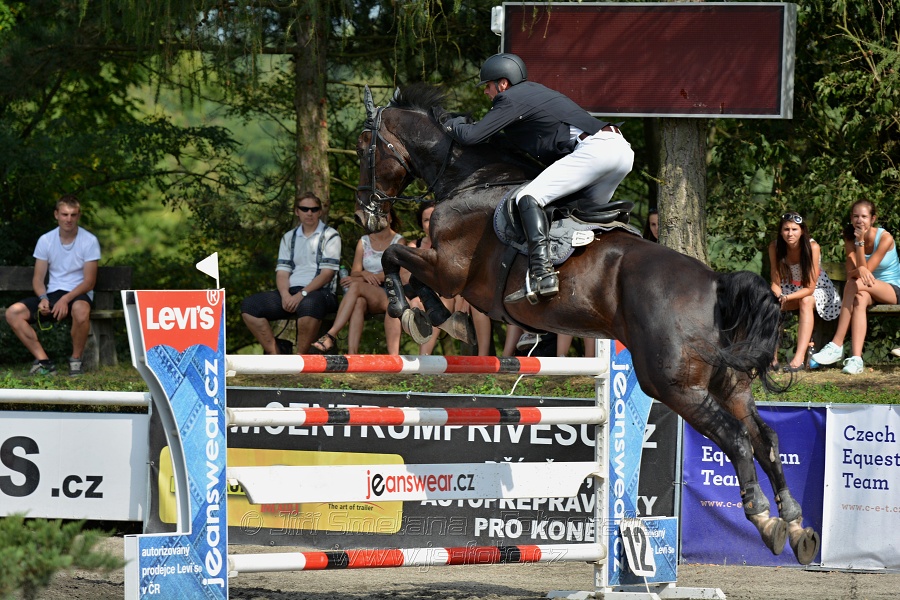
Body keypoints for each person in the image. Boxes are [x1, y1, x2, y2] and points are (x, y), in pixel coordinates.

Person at [442, 53, 634, 302]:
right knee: (574, 215)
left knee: (528, 196)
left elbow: (471, 136)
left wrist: (448, 123)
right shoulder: (534, 94)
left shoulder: (511, 98)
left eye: (488, 86)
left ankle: (542, 273)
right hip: (619, 151)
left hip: (596, 151)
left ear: (503, 83)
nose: (486, 92)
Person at [5, 195, 101, 376]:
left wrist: (66, 299)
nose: (69, 219)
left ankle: (76, 361)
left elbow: (89, 282)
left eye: (73, 215)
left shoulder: (89, 241)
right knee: (13, 312)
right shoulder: (45, 240)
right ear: (56, 214)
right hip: (53, 294)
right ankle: (44, 362)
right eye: (65, 214)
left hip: (78, 294)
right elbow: (38, 279)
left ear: (78, 216)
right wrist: (43, 298)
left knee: (81, 310)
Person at [241, 192, 340, 355]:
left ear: (320, 212)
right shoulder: (289, 237)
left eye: (314, 209)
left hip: (322, 293)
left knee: (310, 303)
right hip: (292, 292)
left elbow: (327, 274)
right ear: (297, 211)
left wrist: (301, 294)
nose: (309, 213)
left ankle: (300, 360)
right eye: (305, 209)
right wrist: (285, 295)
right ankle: (276, 355)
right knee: (250, 306)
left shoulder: (331, 236)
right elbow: (282, 272)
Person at [811, 200, 900, 374]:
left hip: (892, 289)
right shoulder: (849, 236)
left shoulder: (885, 238)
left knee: (855, 284)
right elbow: (852, 271)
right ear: (851, 218)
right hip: (865, 289)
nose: (860, 220)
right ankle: (857, 360)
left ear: (873, 218)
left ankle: (837, 344)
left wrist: (860, 245)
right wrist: (859, 266)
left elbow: (865, 273)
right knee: (859, 297)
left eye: (864, 216)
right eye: (856, 216)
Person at [312, 210, 405, 354]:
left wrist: (371, 277)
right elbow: (354, 273)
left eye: (384, 214)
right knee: (358, 302)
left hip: (390, 294)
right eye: (377, 215)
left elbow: (399, 273)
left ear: (391, 217)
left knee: (355, 286)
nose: (381, 218)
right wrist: (364, 273)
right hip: (367, 293)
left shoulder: (399, 241)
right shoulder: (364, 241)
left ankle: (331, 335)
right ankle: (352, 355)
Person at [407, 202, 493, 355]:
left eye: (434, 218)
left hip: (456, 293)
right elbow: (406, 277)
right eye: (426, 220)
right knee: (431, 305)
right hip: (429, 294)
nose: (430, 223)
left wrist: (465, 297)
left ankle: (483, 357)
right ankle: (423, 359)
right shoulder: (414, 246)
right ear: (421, 224)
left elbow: (466, 275)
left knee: (475, 303)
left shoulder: (454, 243)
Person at [767, 212, 841, 372]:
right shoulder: (775, 247)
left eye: (794, 229)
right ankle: (771, 358)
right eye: (786, 229)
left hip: (818, 289)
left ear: (802, 231)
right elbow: (775, 279)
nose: (790, 233)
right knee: (771, 304)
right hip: (790, 288)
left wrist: (786, 297)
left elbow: (810, 288)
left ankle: (798, 358)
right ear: (781, 231)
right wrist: (777, 294)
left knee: (806, 301)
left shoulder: (812, 247)